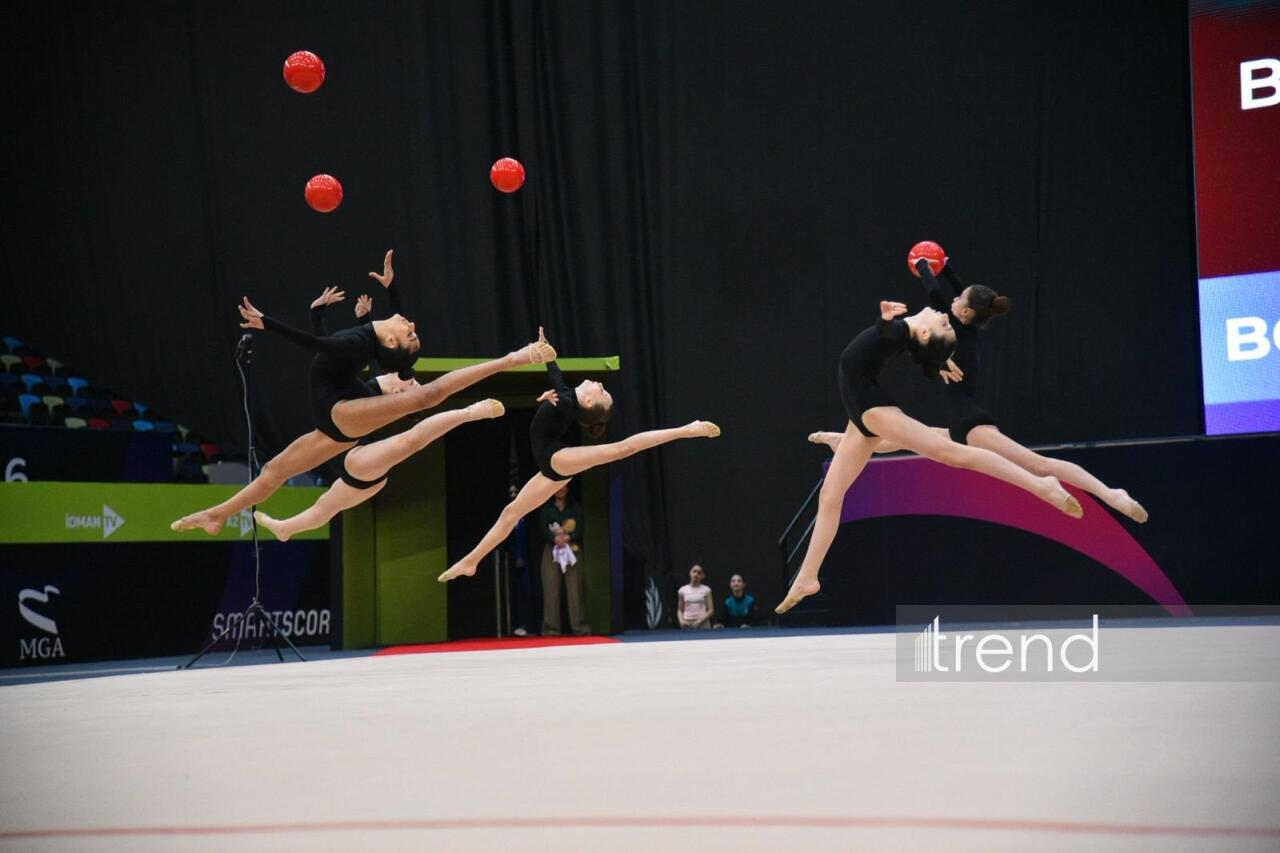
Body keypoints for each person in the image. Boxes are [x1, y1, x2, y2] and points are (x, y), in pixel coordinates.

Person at [170, 250, 555, 535]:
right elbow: (386, 337)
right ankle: (218, 514)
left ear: (389, 338)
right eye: (412, 330)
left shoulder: (360, 342)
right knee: (273, 471)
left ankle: (514, 358)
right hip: (336, 405)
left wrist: (266, 323)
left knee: (423, 396)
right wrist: (380, 293)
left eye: (409, 332)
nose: (412, 323)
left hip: (338, 406)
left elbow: (314, 345)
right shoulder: (371, 336)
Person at [777, 299, 1082, 614]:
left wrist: (885, 321)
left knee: (951, 453)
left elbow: (888, 335)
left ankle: (1041, 485)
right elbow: (910, 347)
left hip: (869, 408)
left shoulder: (897, 331)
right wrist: (937, 360)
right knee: (830, 495)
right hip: (860, 411)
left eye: (945, 324)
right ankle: (809, 576)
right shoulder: (909, 336)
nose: (944, 316)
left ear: (924, 332)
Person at [437, 340, 720, 583]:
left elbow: (557, 381)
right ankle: (471, 561)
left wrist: (547, 362)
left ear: (587, 402)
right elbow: (557, 379)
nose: (599, 383)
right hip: (548, 468)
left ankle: (687, 429)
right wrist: (547, 355)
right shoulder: (568, 397)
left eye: (602, 392)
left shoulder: (569, 401)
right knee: (510, 513)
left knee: (620, 449)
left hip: (556, 458)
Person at [254, 398, 505, 540]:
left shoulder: (398, 388)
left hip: (364, 473)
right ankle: (470, 412)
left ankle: (285, 528)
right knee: (410, 441)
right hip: (357, 463)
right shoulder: (373, 390)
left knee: (323, 509)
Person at [537, 483, 591, 636]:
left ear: (567, 488)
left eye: (563, 487)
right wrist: (554, 539)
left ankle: (580, 627)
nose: (560, 490)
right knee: (550, 589)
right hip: (552, 550)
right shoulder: (546, 509)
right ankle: (551, 629)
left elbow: (581, 527)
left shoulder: (575, 507)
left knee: (575, 589)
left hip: (572, 549)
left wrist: (569, 537)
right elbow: (542, 528)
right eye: (557, 487)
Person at [677, 564, 714, 629]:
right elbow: (680, 609)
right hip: (687, 623)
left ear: (702, 576)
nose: (696, 574)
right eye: (694, 571)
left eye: (699, 573)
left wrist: (699, 621)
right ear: (690, 573)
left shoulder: (706, 590)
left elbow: (711, 610)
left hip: (703, 623)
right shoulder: (682, 590)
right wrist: (681, 620)